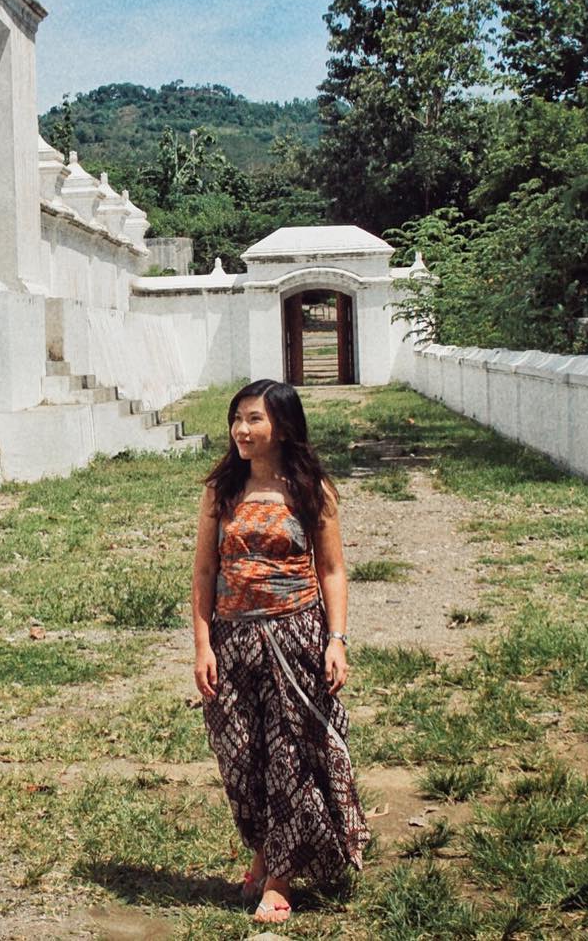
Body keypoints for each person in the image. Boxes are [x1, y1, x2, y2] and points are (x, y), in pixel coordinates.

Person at [191, 378, 369, 924]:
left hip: (295, 639)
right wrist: (203, 644)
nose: (242, 430)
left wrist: (336, 640)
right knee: (242, 759)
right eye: (237, 418)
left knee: (290, 754)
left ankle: (280, 877)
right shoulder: (221, 489)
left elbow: (333, 571)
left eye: (255, 419)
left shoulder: (312, 489)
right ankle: (266, 847)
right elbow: (204, 569)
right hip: (232, 640)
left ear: (283, 426)